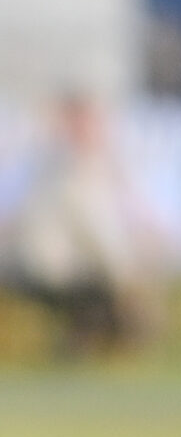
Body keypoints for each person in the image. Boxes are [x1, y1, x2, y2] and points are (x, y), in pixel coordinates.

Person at [3, 92, 163, 358]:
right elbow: (98, 235)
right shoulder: (72, 170)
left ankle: (84, 342)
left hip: (35, 266)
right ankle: (91, 342)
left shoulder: (53, 163)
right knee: (112, 292)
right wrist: (127, 280)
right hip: (50, 271)